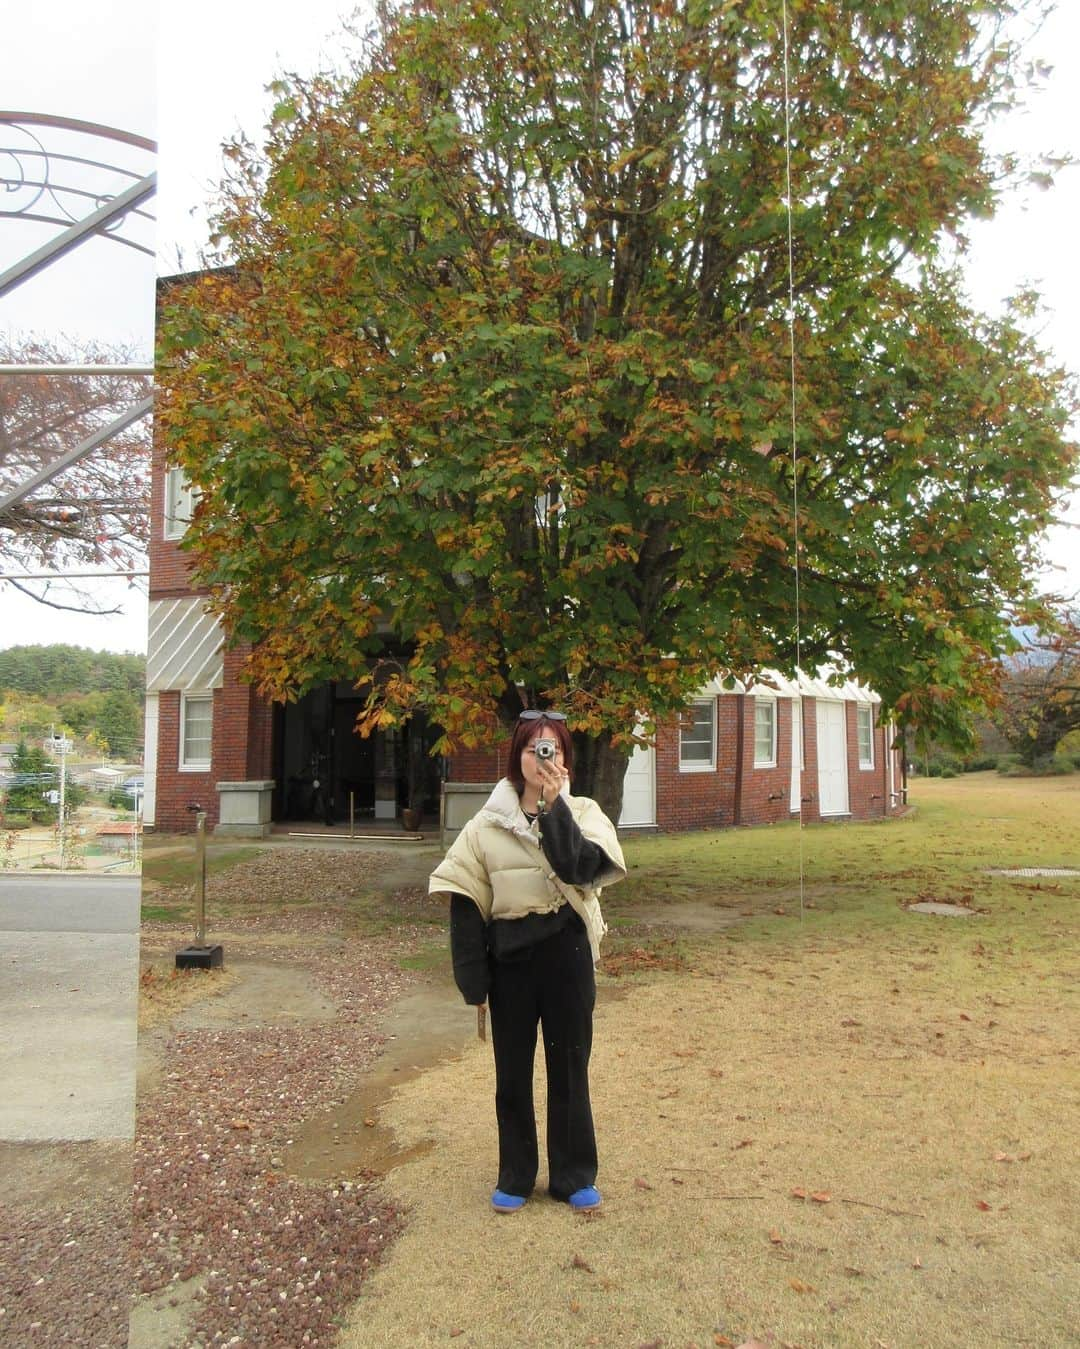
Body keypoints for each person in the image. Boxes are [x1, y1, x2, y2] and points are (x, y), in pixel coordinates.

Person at [429, 710, 626, 1213]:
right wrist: (472, 977)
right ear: (517, 757)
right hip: (512, 961)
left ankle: (573, 1174)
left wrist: (555, 806)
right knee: (512, 1073)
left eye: (554, 750)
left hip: (568, 955)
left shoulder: (584, 814)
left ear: (566, 760)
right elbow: (466, 896)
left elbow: (581, 867)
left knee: (570, 1069)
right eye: (534, 749)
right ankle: (516, 1175)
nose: (544, 758)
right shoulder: (485, 824)